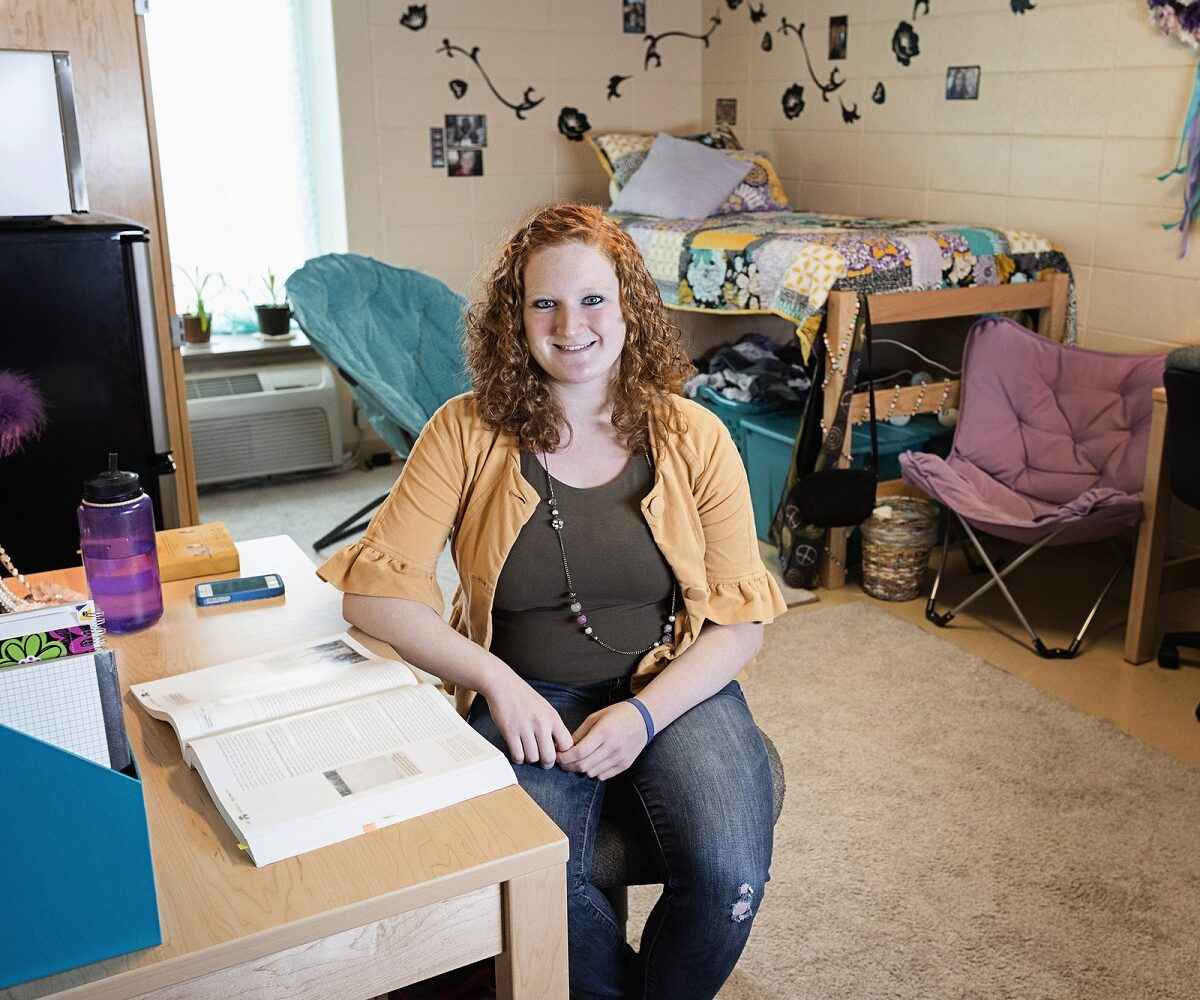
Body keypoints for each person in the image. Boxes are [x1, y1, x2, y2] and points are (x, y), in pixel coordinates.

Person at [317, 203, 787, 999]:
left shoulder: (696, 435)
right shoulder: (463, 430)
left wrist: (644, 715)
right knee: (534, 884)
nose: (571, 325)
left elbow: (740, 623)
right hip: (529, 693)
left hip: (667, 684)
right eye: (545, 303)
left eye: (594, 299)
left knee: (729, 874)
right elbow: (373, 593)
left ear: (630, 308)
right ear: (516, 316)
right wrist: (498, 684)